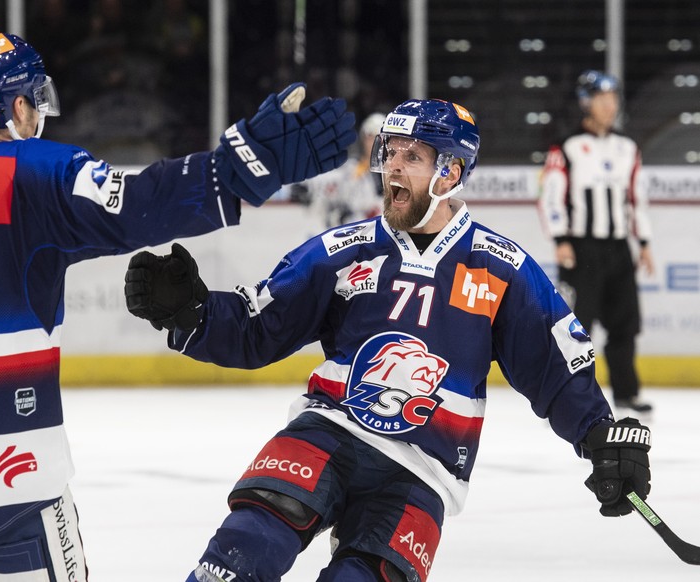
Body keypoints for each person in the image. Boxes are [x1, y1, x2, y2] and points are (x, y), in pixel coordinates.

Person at [0, 30, 356, 581]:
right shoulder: (28, 172)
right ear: (17, 105)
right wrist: (241, 165)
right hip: (3, 484)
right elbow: (143, 204)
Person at [124, 99, 653, 582]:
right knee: (242, 549)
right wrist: (194, 311)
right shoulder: (344, 249)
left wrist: (599, 435)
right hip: (328, 429)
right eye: (390, 152)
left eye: (414, 156)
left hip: (424, 471)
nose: (393, 166)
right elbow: (261, 325)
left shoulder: (503, 268)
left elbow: (554, 367)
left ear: (450, 172)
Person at [539, 70, 654, 415]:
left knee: (624, 324)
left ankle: (626, 393)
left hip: (618, 248)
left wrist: (644, 242)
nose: (610, 106)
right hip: (581, 247)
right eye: (602, 99)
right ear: (586, 102)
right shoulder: (568, 147)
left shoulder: (627, 147)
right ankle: (567, 394)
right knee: (575, 326)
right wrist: (561, 239)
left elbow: (636, 199)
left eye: (614, 99)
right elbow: (551, 198)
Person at [302, 112, 386, 229]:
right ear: (363, 139)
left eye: (380, 138)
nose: (374, 143)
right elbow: (328, 182)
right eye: (370, 137)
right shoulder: (353, 167)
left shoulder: (394, 170)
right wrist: (307, 186)